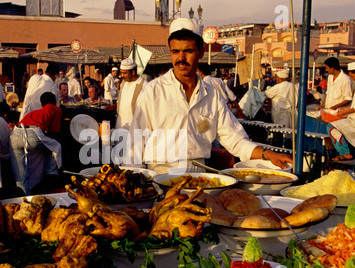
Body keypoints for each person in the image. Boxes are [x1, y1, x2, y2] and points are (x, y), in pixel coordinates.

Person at [124, 18, 292, 174]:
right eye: (175, 51)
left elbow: (235, 139)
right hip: (160, 175)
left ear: (201, 52)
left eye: (188, 51)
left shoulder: (211, 94)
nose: (180, 58)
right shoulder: (153, 91)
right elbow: (135, 144)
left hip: (198, 175)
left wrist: (268, 154)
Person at [10, 92, 63, 194]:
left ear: (41, 104)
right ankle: (51, 175)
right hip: (32, 135)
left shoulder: (35, 112)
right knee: (55, 147)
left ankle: (24, 198)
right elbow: (54, 133)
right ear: (55, 102)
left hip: (15, 134)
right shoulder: (56, 109)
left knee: (21, 177)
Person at [326, 62, 355, 161]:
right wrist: (346, 109)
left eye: (352, 76)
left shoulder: (345, 80)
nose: (351, 79)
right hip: (351, 117)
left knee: (331, 127)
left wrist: (343, 111)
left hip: (353, 121)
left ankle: (345, 153)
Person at [115, 58, 148, 130]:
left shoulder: (144, 85)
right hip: (120, 125)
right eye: (121, 73)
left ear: (133, 72)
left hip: (135, 127)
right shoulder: (123, 83)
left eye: (125, 73)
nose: (122, 76)